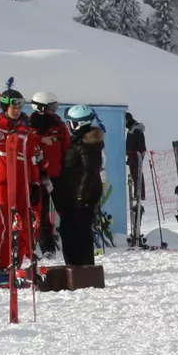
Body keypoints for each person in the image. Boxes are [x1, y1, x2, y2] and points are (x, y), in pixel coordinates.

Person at [0, 88, 36, 268]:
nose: (17, 110)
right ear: (5, 106)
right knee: (5, 226)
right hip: (2, 183)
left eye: (20, 106)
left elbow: (32, 158)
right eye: (13, 106)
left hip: (22, 183)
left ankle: (17, 264)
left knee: (22, 225)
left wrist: (35, 182)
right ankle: (4, 265)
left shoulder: (26, 129)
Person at [55, 105, 106, 267]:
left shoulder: (87, 144)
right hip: (75, 193)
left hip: (81, 195)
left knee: (78, 230)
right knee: (71, 229)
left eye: (70, 122)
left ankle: (82, 267)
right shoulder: (79, 140)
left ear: (77, 124)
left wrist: (80, 196)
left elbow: (89, 172)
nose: (68, 125)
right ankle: (75, 265)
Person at [26, 91, 69, 257]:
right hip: (38, 176)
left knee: (65, 210)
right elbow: (25, 144)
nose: (54, 110)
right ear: (41, 108)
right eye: (51, 107)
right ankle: (47, 248)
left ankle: (70, 243)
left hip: (58, 175)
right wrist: (39, 140)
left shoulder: (59, 125)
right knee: (41, 213)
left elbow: (67, 147)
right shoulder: (30, 126)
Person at [123, 111, 149, 246]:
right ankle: (137, 191)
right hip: (133, 157)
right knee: (135, 175)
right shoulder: (134, 130)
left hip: (135, 157)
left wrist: (136, 155)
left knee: (137, 175)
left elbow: (141, 148)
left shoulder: (136, 131)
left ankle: (139, 192)